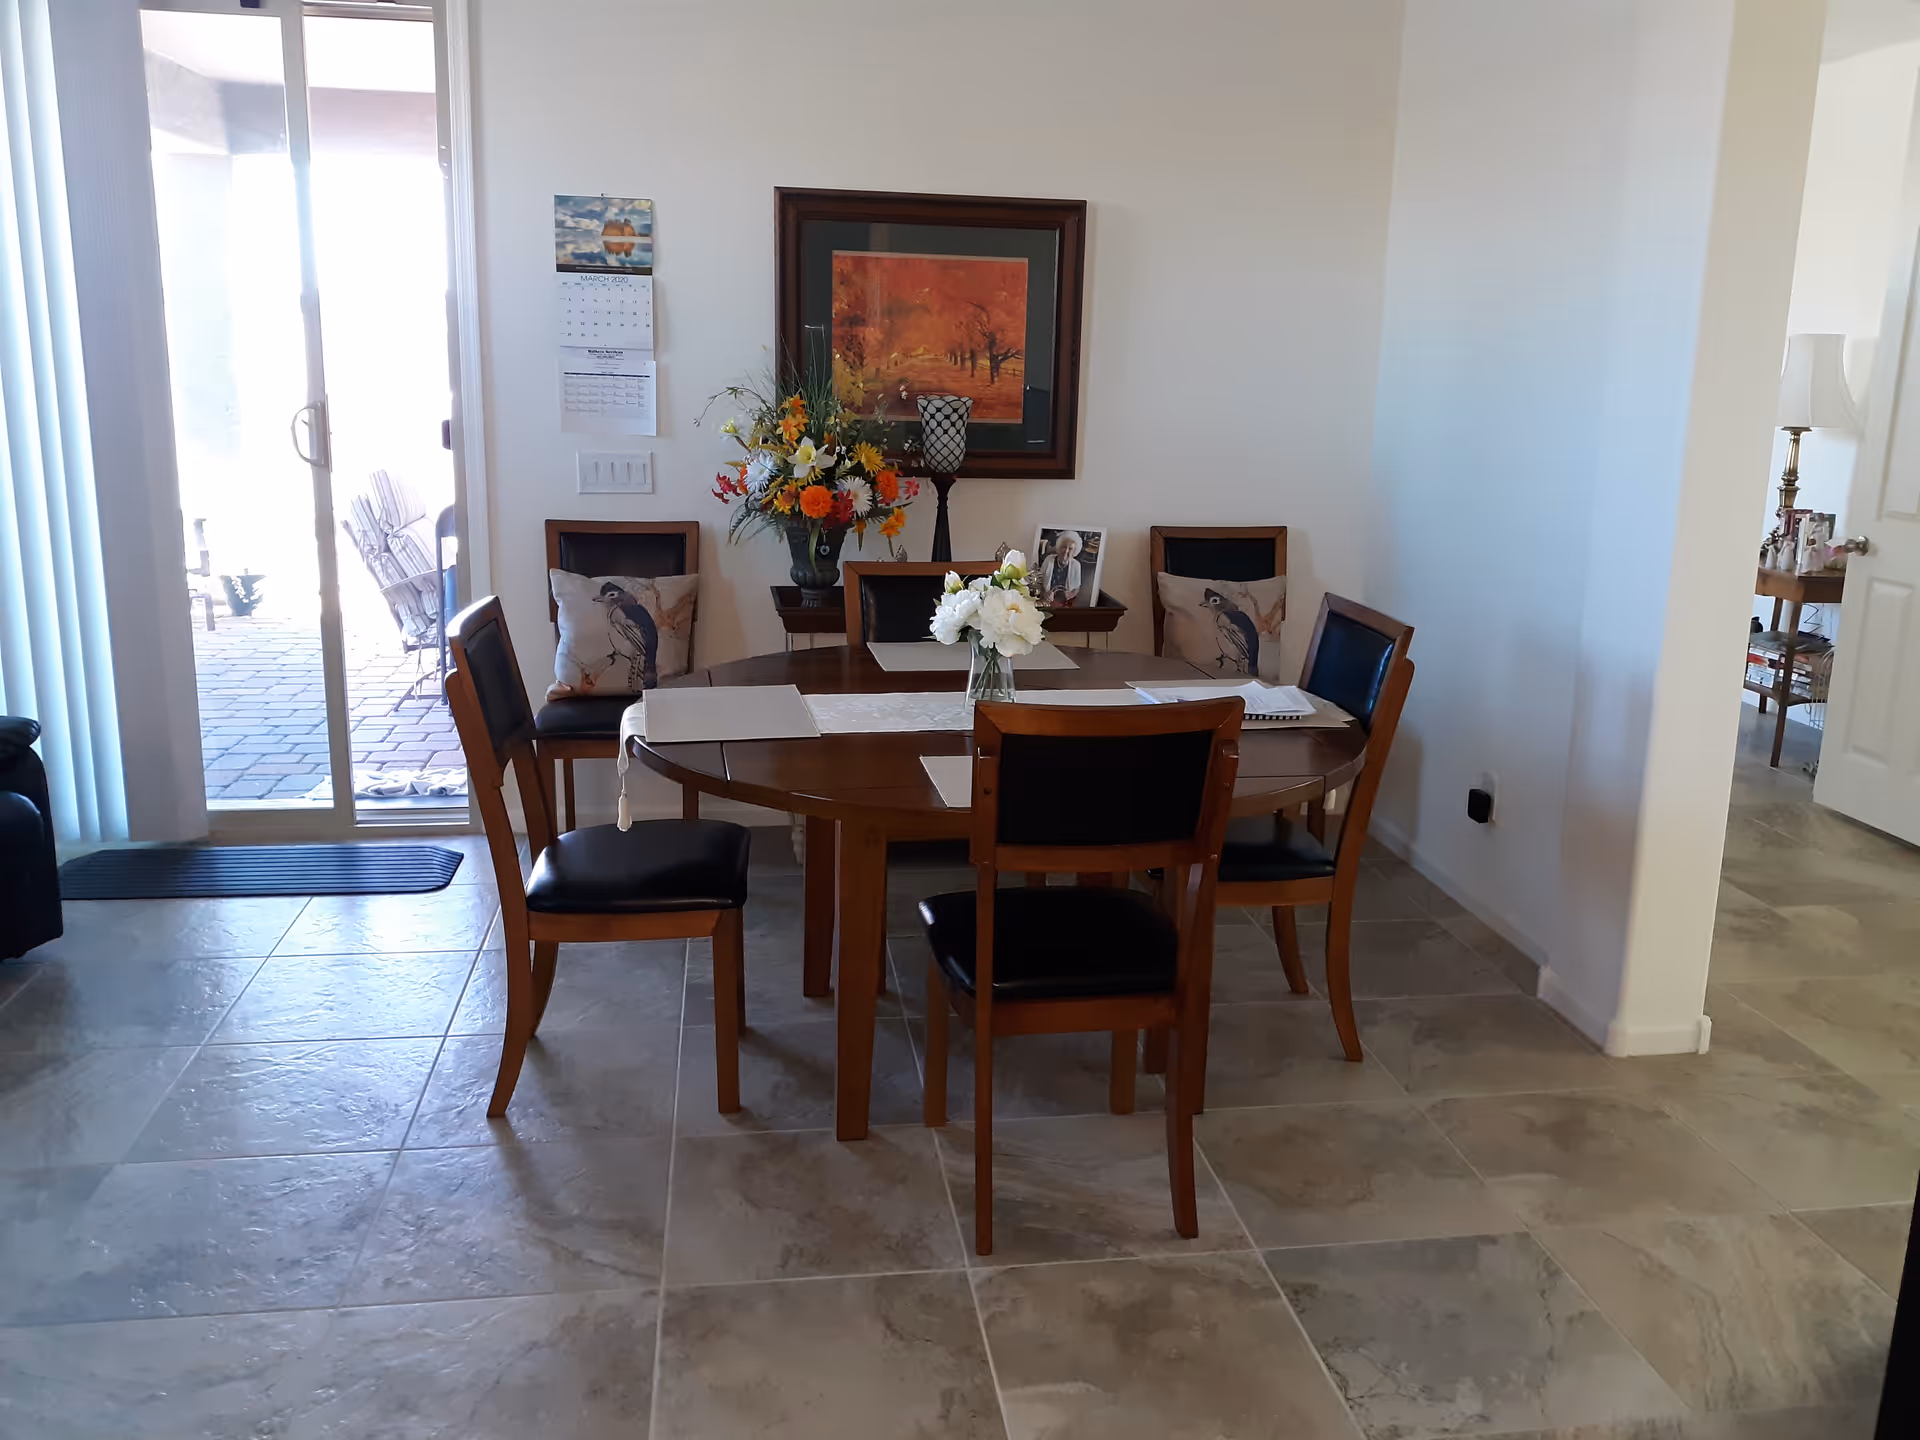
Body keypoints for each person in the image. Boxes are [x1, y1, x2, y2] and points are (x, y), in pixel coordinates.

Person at [1036, 531, 1083, 607]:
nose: (1066, 551)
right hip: (1047, 601)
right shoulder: (1049, 560)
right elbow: (1039, 580)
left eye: (1070, 548)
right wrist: (1045, 593)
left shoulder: (1076, 565)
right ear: (1058, 548)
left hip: (1066, 603)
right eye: (1064, 547)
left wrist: (1070, 595)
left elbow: (1077, 588)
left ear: (1074, 552)